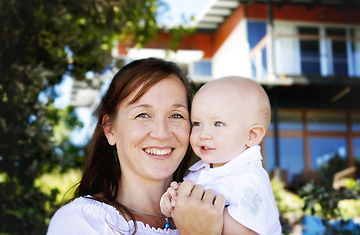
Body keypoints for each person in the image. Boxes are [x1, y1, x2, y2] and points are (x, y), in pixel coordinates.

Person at [47, 57, 226, 235]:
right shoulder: (81, 221)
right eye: (143, 115)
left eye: (176, 115)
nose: (162, 133)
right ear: (110, 130)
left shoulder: (224, 209)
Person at [160, 76, 282, 235]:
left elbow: (246, 230)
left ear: (251, 135)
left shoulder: (250, 179)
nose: (204, 134)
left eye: (218, 124)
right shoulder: (200, 172)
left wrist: (195, 213)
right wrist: (171, 201)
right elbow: (182, 209)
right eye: (197, 123)